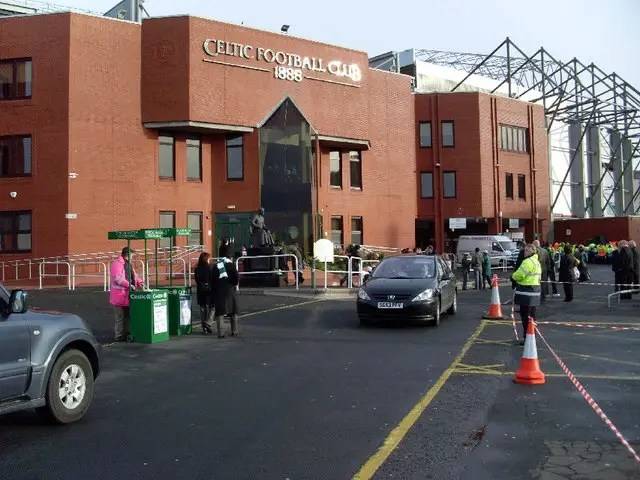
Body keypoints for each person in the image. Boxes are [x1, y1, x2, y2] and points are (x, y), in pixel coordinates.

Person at [109, 247, 144, 342]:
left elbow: (134, 276)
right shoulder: (117, 264)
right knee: (120, 317)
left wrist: (139, 282)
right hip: (119, 295)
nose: (133, 257)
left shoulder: (129, 264)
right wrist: (130, 285)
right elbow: (117, 279)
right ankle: (118, 336)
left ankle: (127, 333)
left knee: (128, 315)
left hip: (127, 294)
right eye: (132, 255)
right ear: (128, 254)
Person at [511, 243, 541, 344]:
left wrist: (513, 276)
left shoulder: (527, 262)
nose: (524, 252)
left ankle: (527, 338)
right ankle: (532, 336)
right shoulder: (536, 262)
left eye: (526, 251)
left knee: (525, 317)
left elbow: (518, 275)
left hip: (526, 293)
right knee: (532, 317)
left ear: (530, 251)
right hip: (535, 292)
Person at [211, 244, 240, 338]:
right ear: (229, 255)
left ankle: (221, 333)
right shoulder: (231, 265)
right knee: (233, 312)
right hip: (230, 290)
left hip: (219, 291)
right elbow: (236, 278)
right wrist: (233, 284)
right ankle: (234, 331)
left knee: (220, 312)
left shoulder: (217, 265)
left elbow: (213, 279)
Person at [195, 252, 214, 334]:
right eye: (208, 258)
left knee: (203, 309)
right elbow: (212, 279)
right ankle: (208, 323)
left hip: (200, 290)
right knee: (212, 308)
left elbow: (197, 280)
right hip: (209, 290)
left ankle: (204, 328)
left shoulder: (197, 269)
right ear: (206, 259)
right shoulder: (210, 268)